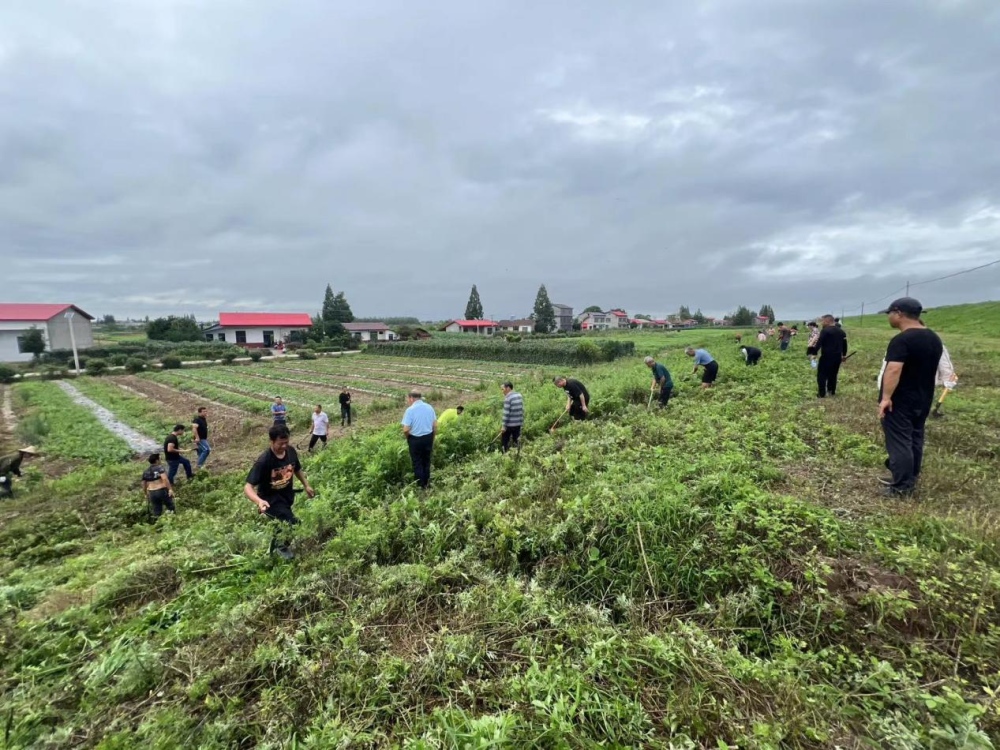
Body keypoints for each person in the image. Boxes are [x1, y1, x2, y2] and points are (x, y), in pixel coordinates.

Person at [877, 297, 942, 497]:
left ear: (899, 313)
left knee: (899, 440)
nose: (889, 317)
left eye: (890, 313)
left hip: (901, 399)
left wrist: (886, 397)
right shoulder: (933, 337)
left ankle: (901, 487)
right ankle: (909, 478)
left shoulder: (903, 339)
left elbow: (894, 369)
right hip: (923, 397)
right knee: (915, 437)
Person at [244, 423, 315, 559]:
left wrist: (306, 485)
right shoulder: (264, 461)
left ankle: (274, 552)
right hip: (270, 500)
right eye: (280, 443)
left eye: (286, 443)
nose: (284, 446)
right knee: (293, 524)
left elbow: (297, 469)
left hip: (286, 497)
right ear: (271, 441)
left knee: (281, 525)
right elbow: (247, 487)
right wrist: (259, 501)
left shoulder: (291, 451)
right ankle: (280, 548)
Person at [401, 391, 437, 488]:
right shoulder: (430, 407)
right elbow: (435, 426)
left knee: (417, 462)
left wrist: (409, 438)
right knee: (426, 460)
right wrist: (432, 438)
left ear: (411, 398)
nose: (408, 401)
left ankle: (421, 486)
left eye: (408, 399)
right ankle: (427, 482)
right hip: (428, 437)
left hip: (415, 440)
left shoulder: (410, 410)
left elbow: (406, 429)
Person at [815, 315, 848, 398]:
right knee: (833, 374)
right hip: (837, 357)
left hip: (826, 356)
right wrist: (844, 355)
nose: (821, 323)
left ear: (827, 321)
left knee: (822, 375)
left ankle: (821, 394)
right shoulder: (842, 332)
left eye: (822, 321)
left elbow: (819, 343)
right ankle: (831, 391)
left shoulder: (825, 331)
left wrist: (813, 353)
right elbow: (844, 345)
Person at [142, 453, 174, 518]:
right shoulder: (160, 468)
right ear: (157, 460)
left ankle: (157, 524)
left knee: (157, 510)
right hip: (161, 491)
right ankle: (172, 521)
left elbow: (144, 484)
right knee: (170, 506)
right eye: (160, 459)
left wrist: (145, 494)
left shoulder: (145, 471)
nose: (160, 460)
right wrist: (170, 489)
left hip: (152, 493)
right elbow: (165, 479)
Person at [501, 382, 524, 452]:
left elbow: (506, 414)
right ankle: (518, 454)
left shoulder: (507, 398)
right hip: (518, 423)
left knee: (504, 441)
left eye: (502, 389)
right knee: (517, 440)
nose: (502, 391)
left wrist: (504, 426)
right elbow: (521, 409)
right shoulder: (519, 395)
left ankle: (504, 455)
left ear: (508, 388)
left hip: (509, 425)